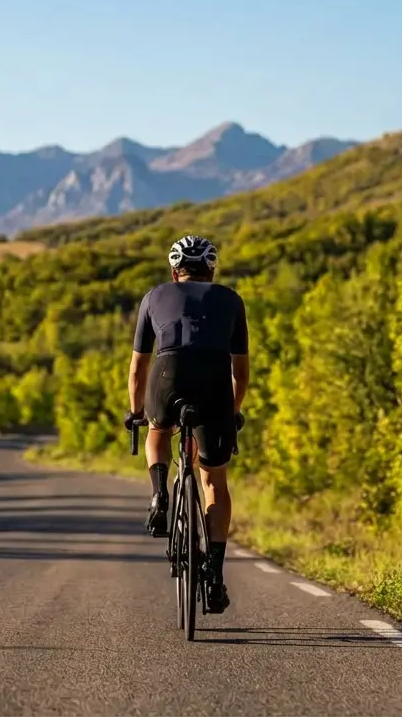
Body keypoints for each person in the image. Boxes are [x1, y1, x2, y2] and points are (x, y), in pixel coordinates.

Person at [123, 234, 250, 613]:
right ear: (212, 269)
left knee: (158, 430)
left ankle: (160, 492)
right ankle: (214, 573)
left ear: (173, 270)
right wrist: (232, 410)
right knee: (214, 479)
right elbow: (240, 373)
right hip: (213, 380)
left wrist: (135, 413)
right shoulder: (231, 299)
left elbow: (136, 369)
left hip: (167, 373)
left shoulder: (153, 297)